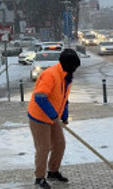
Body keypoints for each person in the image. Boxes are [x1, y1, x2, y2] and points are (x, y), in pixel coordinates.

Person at [27, 48, 81, 188]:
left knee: (59, 144)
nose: (74, 70)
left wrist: (64, 115)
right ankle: (39, 178)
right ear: (67, 64)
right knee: (43, 148)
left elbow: (64, 98)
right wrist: (53, 115)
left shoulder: (67, 77)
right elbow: (40, 97)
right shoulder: (51, 74)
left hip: (53, 117)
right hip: (39, 117)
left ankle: (53, 171)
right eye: (73, 67)